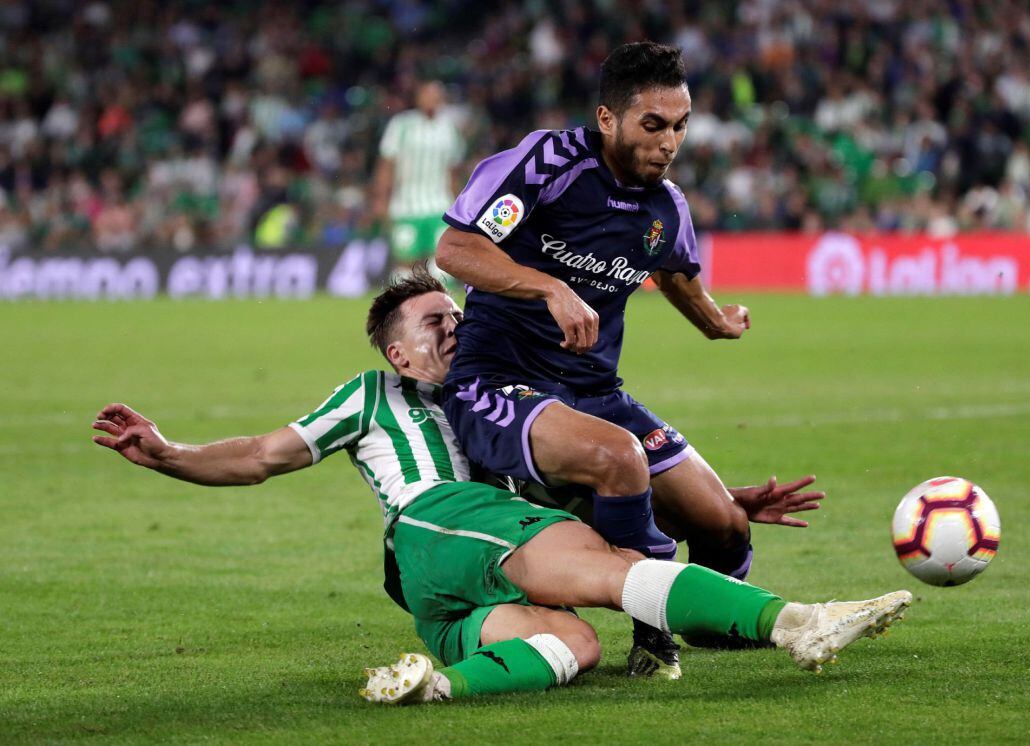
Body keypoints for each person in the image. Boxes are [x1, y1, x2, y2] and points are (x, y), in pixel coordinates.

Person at [91, 272, 911, 705]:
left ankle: (435, 684)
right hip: (437, 520)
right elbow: (263, 455)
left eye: (456, 314)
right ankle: (797, 623)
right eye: (431, 324)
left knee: (574, 646)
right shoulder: (378, 397)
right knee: (608, 569)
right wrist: (167, 452)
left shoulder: (504, 405)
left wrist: (720, 503)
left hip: (451, 597)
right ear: (400, 355)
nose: (453, 326)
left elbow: (586, 475)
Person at [435, 42, 762, 674]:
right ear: (608, 119)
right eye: (653, 125)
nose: (669, 142)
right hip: (500, 383)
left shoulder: (666, 206)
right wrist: (550, 286)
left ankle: (720, 625)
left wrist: (716, 321)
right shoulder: (548, 163)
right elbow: (455, 248)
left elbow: (675, 276)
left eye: (680, 125)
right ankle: (652, 632)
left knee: (723, 524)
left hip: (595, 390)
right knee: (619, 456)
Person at [372, 81, 465, 279]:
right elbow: (387, 164)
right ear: (418, 98)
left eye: (436, 95)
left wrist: (459, 205)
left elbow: (453, 171)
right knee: (406, 262)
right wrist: (381, 199)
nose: (431, 99)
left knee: (442, 261)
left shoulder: (449, 128)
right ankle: (403, 308)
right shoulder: (401, 124)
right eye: (427, 94)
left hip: (440, 205)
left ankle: (437, 307)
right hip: (406, 206)